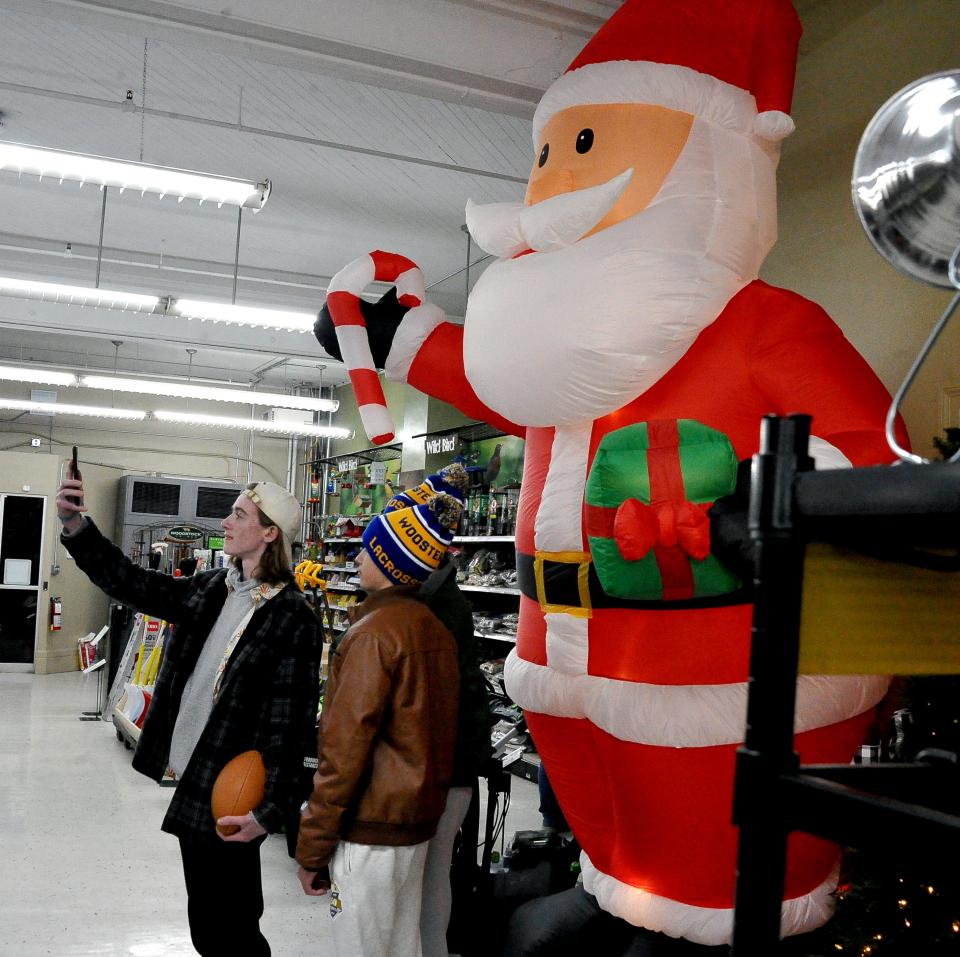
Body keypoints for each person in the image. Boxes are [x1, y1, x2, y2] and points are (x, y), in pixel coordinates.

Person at [314, 0, 900, 945]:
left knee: (712, 865)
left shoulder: (766, 327)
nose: (549, 184)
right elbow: (494, 379)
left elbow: (879, 468)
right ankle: (616, 895)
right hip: (564, 669)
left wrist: (776, 510)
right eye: (548, 155)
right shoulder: (572, 356)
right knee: (614, 860)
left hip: (710, 683)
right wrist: (397, 335)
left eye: (582, 145)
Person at [56, 470, 321, 957]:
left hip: (236, 791)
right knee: (208, 923)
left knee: (233, 927)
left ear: (269, 533)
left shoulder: (293, 615)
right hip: (196, 775)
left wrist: (268, 814)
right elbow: (132, 583)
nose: (225, 521)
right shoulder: (212, 588)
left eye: (238, 514)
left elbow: (292, 725)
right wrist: (77, 528)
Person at [296, 493, 462, 957]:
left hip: (369, 826)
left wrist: (313, 843)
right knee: (401, 945)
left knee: (361, 946)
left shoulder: (371, 636)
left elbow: (343, 752)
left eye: (368, 549)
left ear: (389, 562)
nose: (358, 556)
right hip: (414, 823)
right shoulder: (433, 630)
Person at [384, 463, 494, 957]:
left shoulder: (430, 613)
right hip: (442, 769)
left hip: (435, 772)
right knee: (427, 881)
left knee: (417, 884)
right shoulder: (432, 602)